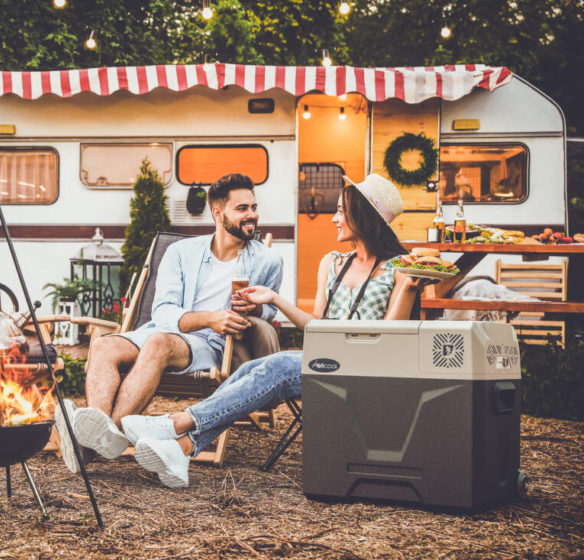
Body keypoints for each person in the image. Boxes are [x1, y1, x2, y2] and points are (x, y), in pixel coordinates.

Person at [121, 173, 425, 488]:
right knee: (253, 368)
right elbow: (317, 327)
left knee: (279, 365)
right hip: (330, 360)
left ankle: (176, 423)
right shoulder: (333, 263)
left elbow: (393, 337)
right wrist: (274, 299)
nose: (334, 218)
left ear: (364, 217)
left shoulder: (401, 267)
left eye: (341, 212)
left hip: (369, 367)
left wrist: (409, 290)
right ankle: (182, 450)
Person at [55, 173, 284, 473]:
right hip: (162, 331)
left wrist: (256, 308)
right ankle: (101, 437)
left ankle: (90, 444)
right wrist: (210, 318)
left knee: (158, 343)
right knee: (102, 346)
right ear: (218, 212)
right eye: (242, 208)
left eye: (254, 207)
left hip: (212, 345)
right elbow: (162, 313)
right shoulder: (181, 252)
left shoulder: (267, 261)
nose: (252, 215)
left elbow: (268, 313)